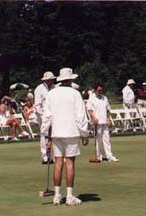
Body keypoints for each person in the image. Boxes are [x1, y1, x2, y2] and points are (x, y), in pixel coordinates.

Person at [41, 67, 89, 206]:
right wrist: (84, 133)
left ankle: (57, 196)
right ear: (71, 79)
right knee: (70, 163)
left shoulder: (51, 94)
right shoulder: (75, 93)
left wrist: (46, 134)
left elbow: (47, 116)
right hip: (71, 132)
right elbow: (80, 116)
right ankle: (69, 196)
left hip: (56, 132)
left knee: (58, 163)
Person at [87, 83, 119, 163]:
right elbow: (89, 110)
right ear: (95, 90)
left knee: (107, 139)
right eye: (99, 90)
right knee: (98, 140)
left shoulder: (105, 98)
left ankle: (110, 156)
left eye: (101, 90)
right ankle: (99, 156)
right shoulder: (92, 98)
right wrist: (94, 118)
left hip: (104, 121)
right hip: (97, 122)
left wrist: (108, 119)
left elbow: (108, 109)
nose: (100, 91)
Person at [34, 71, 56, 164]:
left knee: (54, 135)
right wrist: (42, 117)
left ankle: (56, 156)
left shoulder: (55, 88)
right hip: (43, 115)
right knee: (44, 136)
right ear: (45, 80)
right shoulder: (39, 89)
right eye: (49, 80)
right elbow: (37, 104)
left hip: (53, 115)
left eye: (51, 79)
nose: (50, 81)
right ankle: (45, 157)